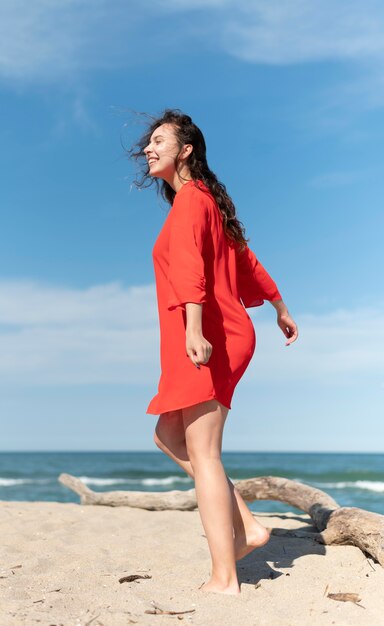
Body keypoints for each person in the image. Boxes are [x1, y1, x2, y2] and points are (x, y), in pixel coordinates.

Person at [130, 109, 298, 595]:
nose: (148, 148)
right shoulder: (202, 201)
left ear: (186, 150)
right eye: (148, 141)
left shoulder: (190, 201)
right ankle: (246, 524)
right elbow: (247, 258)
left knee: (204, 453)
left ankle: (226, 577)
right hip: (216, 331)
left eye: (159, 140)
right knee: (168, 435)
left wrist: (195, 329)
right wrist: (279, 305)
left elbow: (189, 270)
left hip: (209, 335)